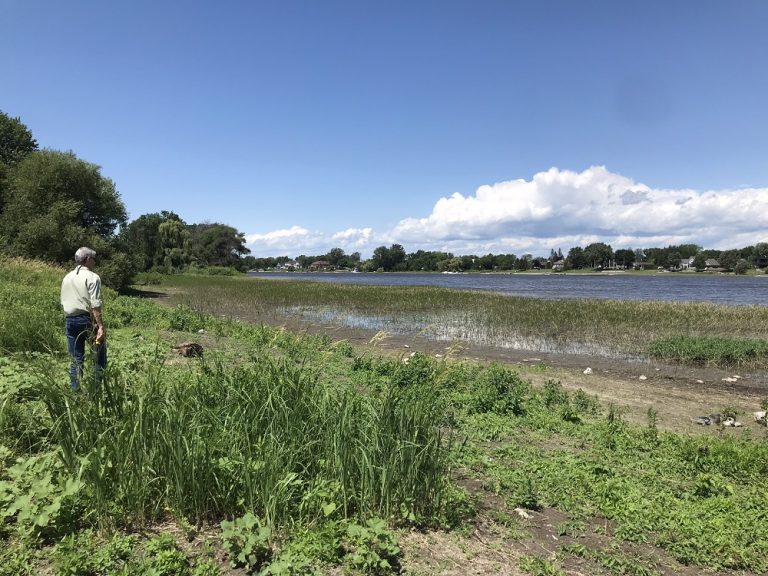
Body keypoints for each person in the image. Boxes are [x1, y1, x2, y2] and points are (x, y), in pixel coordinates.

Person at [60, 247, 106, 390]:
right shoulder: (93, 277)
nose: (95, 262)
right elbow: (95, 304)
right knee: (99, 355)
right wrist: (100, 326)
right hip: (87, 320)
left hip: (70, 320)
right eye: (94, 259)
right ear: (87, 259)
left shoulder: (67, 276)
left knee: (76, 359)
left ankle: (75, 391)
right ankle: (96, 390)